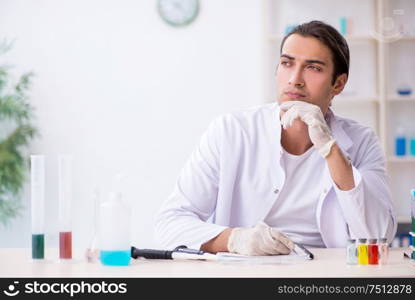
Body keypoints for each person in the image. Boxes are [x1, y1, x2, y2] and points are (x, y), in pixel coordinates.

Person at [154, 20, 397, 256]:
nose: (295, 79)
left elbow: (378, 235)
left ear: (338, 84)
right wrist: (236, 239)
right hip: (245, 272)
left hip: (326, 275)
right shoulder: (231, 131)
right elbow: (170, 224)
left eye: (313, 68)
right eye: (287, 63)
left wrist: (331, 151)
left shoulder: (363, 141)